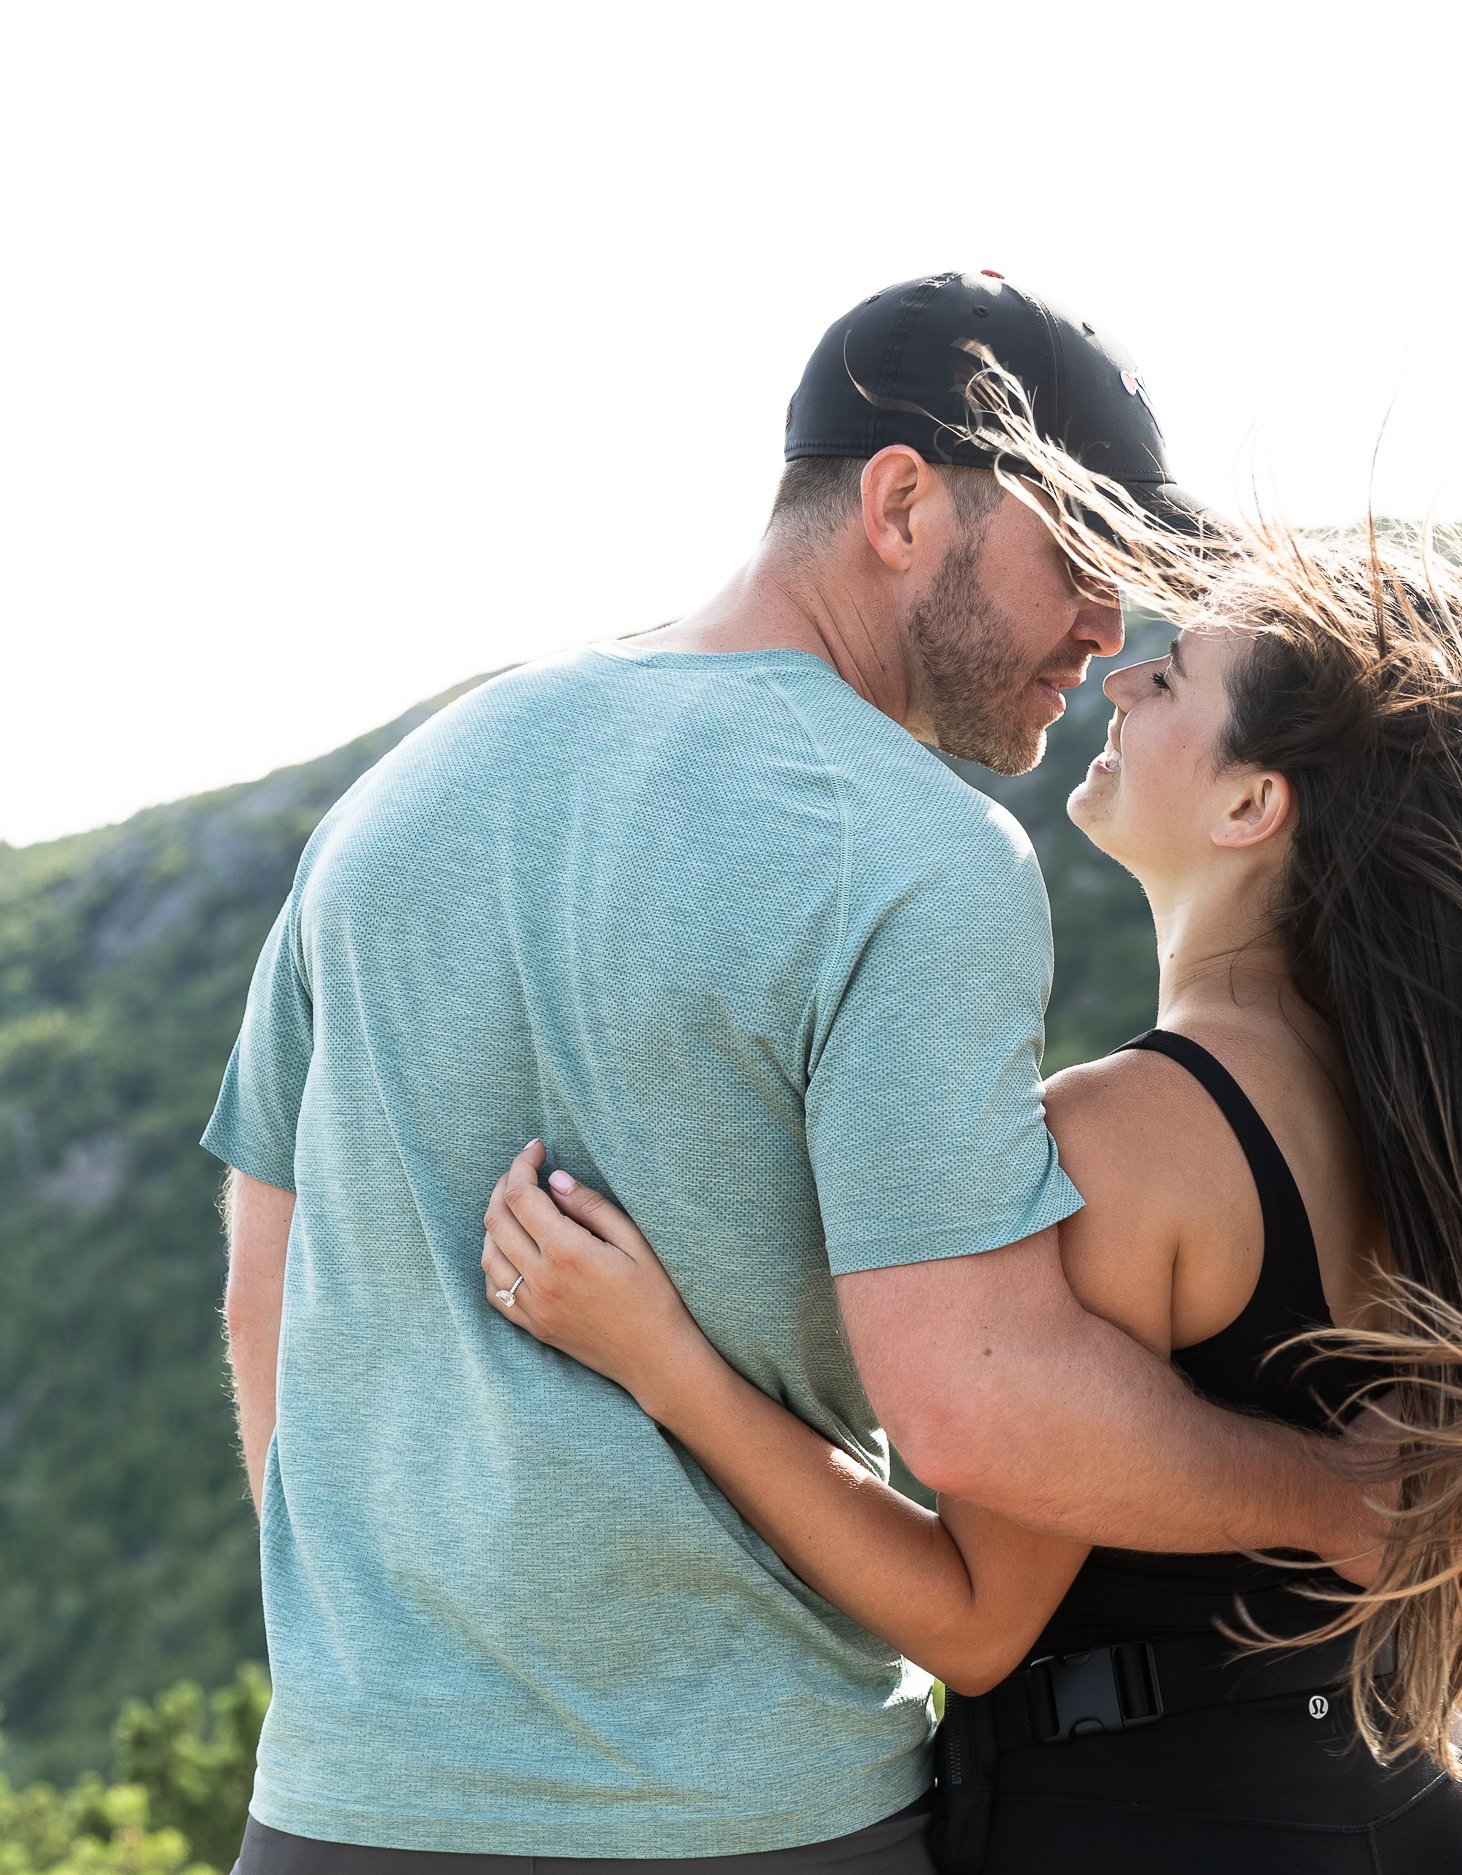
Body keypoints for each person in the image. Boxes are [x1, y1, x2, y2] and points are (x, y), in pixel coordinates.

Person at [476, 378, 1462, 1871]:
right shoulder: (1424, 1113)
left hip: (1166, 1822)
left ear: (1255, 805)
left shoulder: (1127, 1142)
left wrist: (664, 1362)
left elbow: (970, 1623)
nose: (1120, 678)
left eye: (1173, 680)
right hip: (1417, 1802)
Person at [203, 273, 1380, 1875]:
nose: (1110, 633)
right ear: (903, 501)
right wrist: (1330, 1493)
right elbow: (978, 1413)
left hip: (340, 1808)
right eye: (1085, 565)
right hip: (749, 1822)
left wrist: (372, 1678)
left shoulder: (401, 793)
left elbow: (264, 1281)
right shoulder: (916, 854)